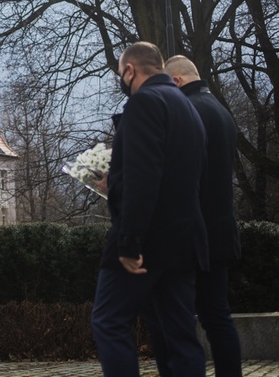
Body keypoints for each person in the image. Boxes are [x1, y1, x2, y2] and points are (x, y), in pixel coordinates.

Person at [91, 42, 209, 377]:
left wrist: (129, 242)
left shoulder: (143, 103)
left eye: (120, 73)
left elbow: (144, 180)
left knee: (109, 321)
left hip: (147, 242)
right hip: (185, 240)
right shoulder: (187, 108)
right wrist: (115, 181)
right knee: (180, 335)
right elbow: (177, 173)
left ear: (130, 69)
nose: (121, 80)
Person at [141, 55, 241, 377]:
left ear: (177, 82)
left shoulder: (188, 111)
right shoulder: (222, 112)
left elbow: (174, 173)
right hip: (221, 229)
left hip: (189, 233)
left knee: (169, 318)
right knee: (217, 317)